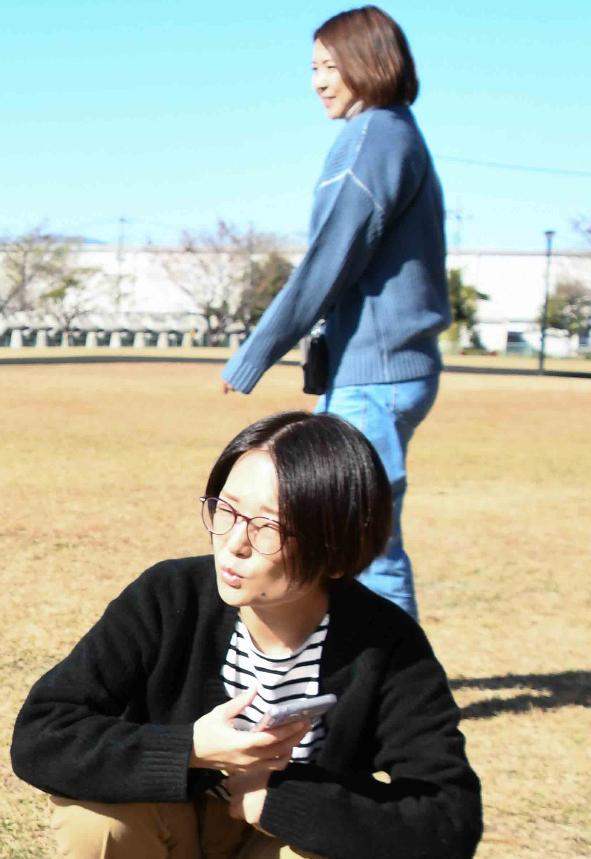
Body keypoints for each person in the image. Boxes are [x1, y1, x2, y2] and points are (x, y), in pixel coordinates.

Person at [11, 411, 480, 859]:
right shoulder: (168, 596)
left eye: (268, 528)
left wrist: (278, 799)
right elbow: (42, 732)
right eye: (225, 511)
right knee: (95, 813)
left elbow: (448, 822)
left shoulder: (386, 646)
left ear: (336, 541)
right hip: (163, 852)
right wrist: (192, 749)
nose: (232, 543)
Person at [220, 7, 447, 622]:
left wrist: (254, 352)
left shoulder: (372, 137)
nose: (318, 80)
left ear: (370, 62)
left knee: (364, 542)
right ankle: (351, 673)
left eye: (330, 65)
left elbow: (329, 260)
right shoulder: (396, 132)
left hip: (374, 379)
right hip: (378, 373)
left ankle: (400, 695)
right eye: (313, 67)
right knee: (342, 533)